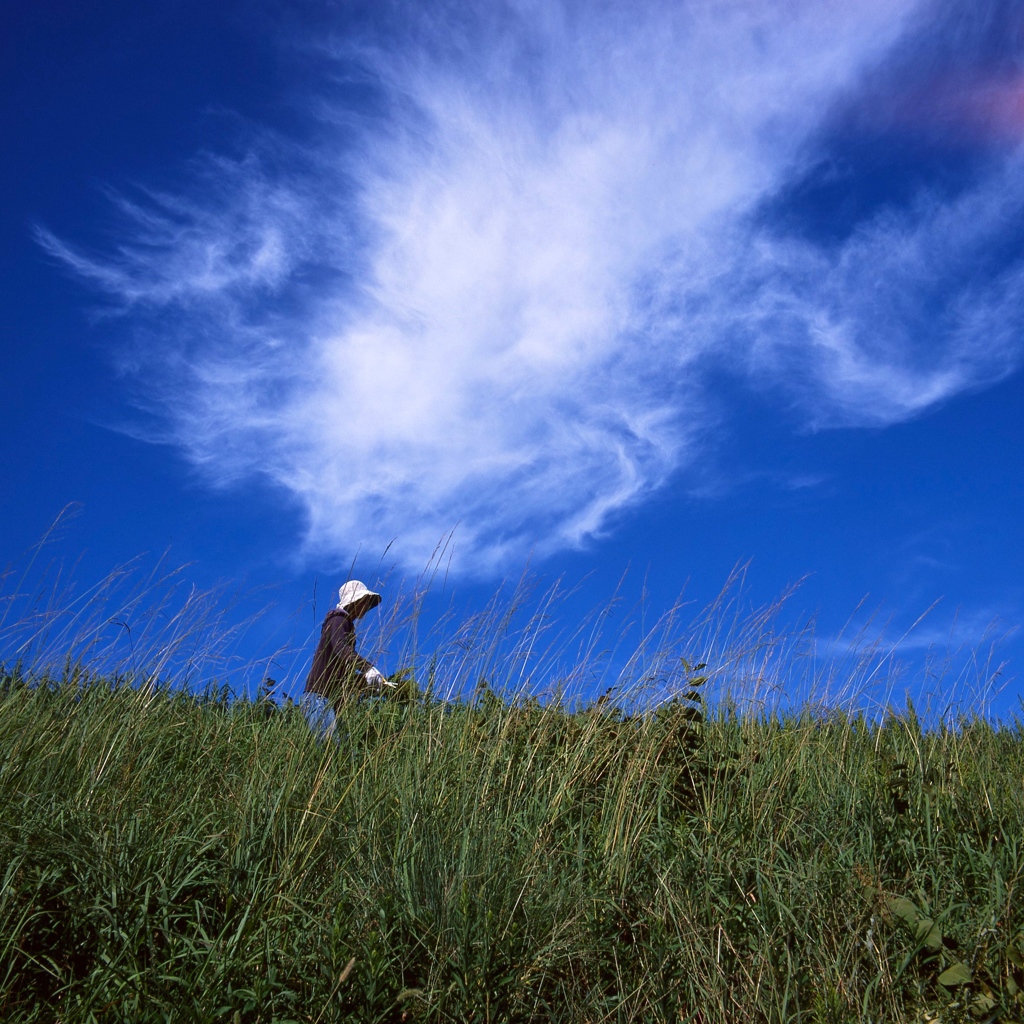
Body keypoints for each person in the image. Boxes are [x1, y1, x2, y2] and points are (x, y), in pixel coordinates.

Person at [301, 580, 393, 741]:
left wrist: (369, 682)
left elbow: (344, 674)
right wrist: (368, 668)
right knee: (330, 747)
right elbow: (341, 647)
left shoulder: (346, 626)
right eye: (365, 602)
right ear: (355, 601)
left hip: (330, 702)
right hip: (318, 698)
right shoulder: (338, 620)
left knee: (342, 752)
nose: (366, 607)